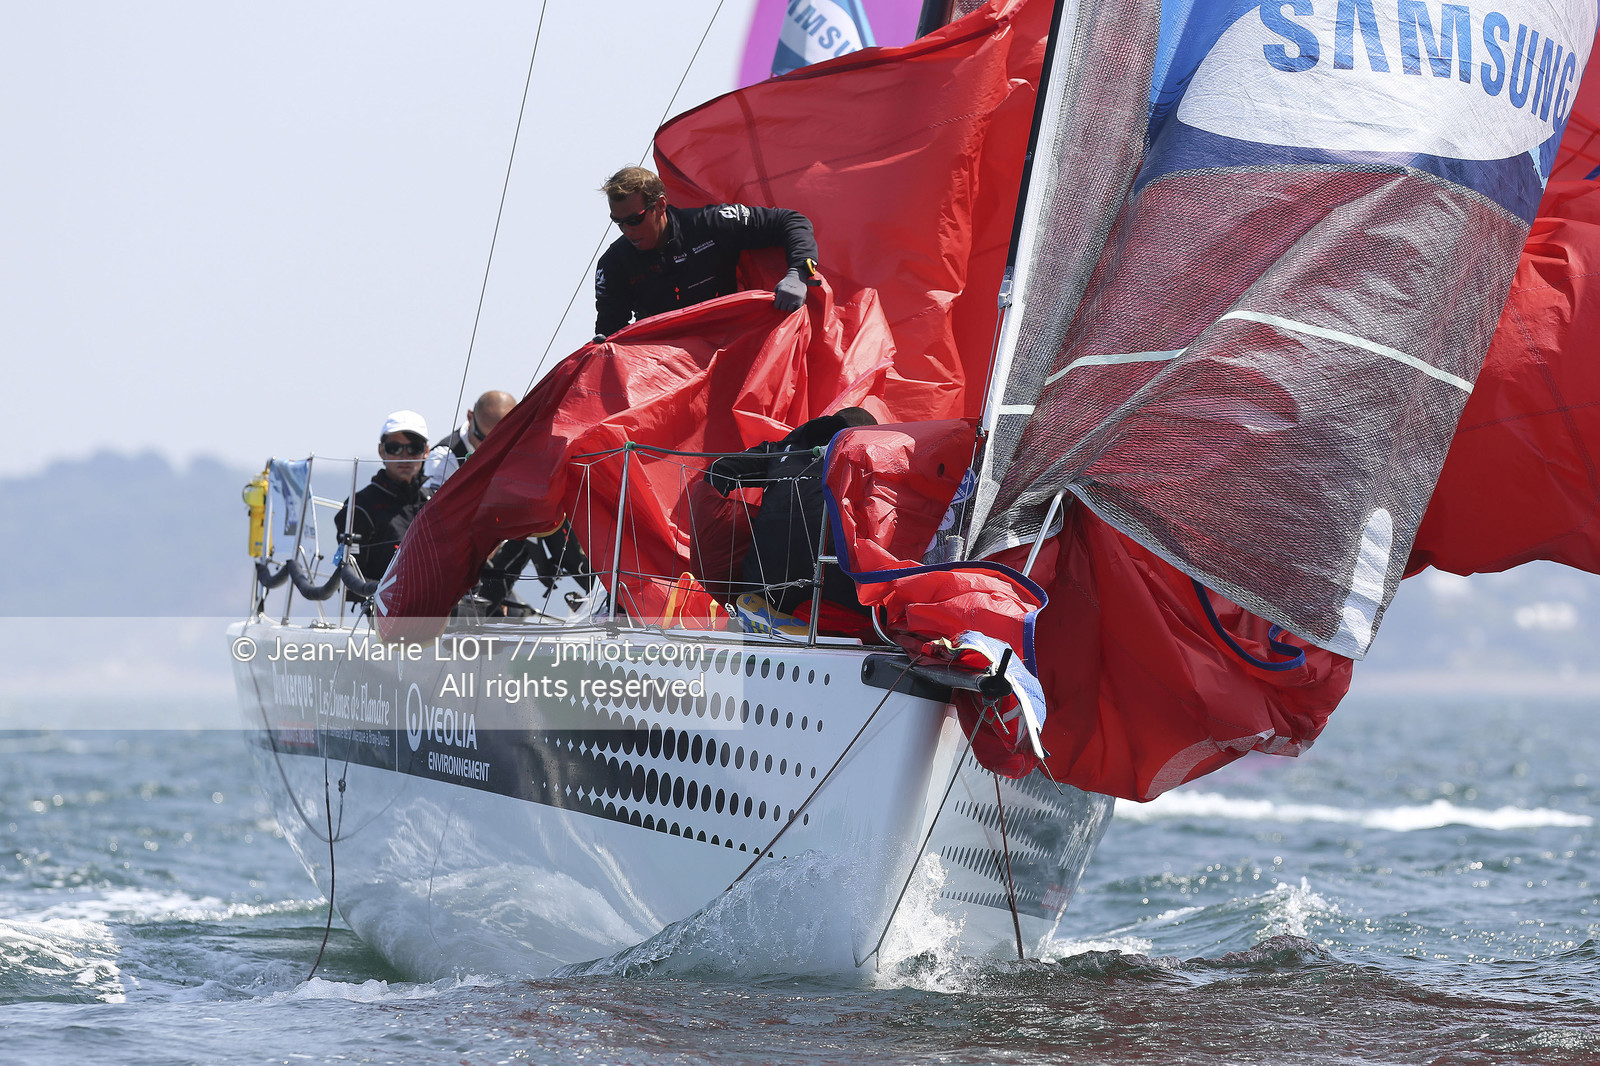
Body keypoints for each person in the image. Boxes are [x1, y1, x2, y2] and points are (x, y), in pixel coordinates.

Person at [594, 166, 820, 337]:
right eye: (618, 222)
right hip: (667, 366)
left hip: (730, 342)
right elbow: (610, 334)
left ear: (661, 205)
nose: (627, 230)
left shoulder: (710, 224)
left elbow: (791, 221)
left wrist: (798, 271)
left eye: (634, 219)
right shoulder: (614, 264)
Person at [703, 408, 877, 624]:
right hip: (837, 599)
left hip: (764, 590)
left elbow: (717, 470)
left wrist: (735, 525)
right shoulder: (872, 455)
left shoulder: (779, 451)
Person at [335, 411, 432, 591]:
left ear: (426, 451)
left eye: (414, 448)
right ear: (381, 450)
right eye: (395, 448)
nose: (404, 456)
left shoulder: (435, 501)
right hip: (382, 610)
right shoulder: (360, 506)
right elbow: (352, 577)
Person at [422, 390, 516, 492]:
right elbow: (433, 504)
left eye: (501, 440)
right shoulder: (443, 459)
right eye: (482, 438)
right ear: (470, 417)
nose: (490, 447)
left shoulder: (519, 448)